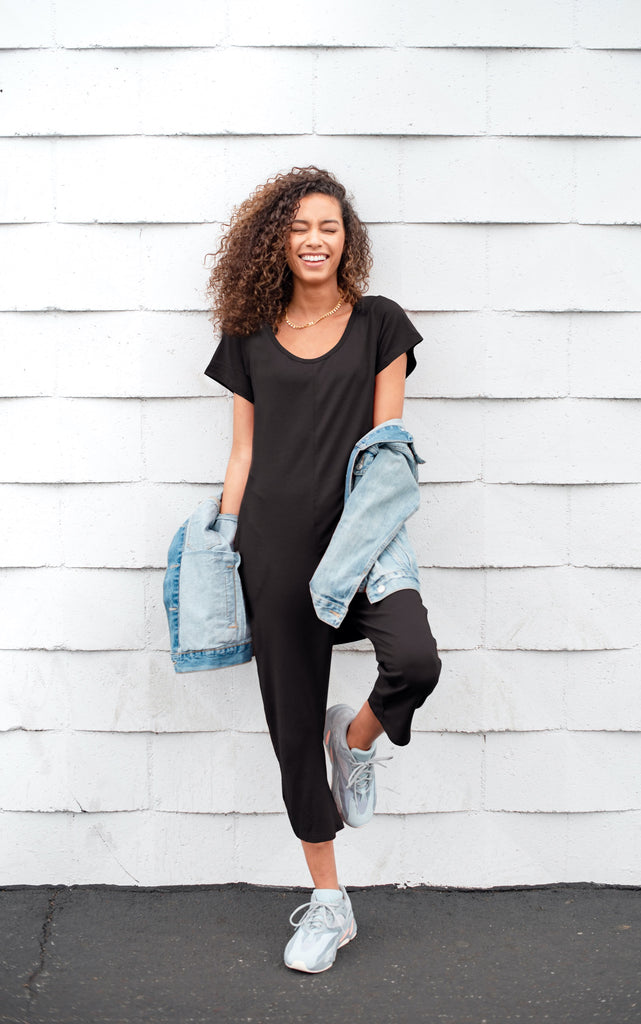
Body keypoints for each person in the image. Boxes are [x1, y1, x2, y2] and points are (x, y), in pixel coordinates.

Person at [204, 166, 441, 973]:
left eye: (329, 227)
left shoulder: (379, 324)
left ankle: (360, 736)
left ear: (349, 240)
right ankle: (330, 905)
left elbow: (387, 448)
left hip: (363, 541)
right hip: (272, 543)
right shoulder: (247, 334)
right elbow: (242, 450)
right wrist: (222, 540)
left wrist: (361, 542)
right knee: (292, 729)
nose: (314, 239)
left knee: (413, 660)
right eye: (300, 227)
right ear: (277, 239)